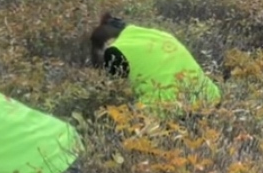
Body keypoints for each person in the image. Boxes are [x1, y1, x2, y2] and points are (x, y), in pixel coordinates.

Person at [89, 14, 221, 109]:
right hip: (210, 98)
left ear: (106, 43)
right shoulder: (159, 34)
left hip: (168, 110)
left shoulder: (115, 51)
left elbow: (116, 93)